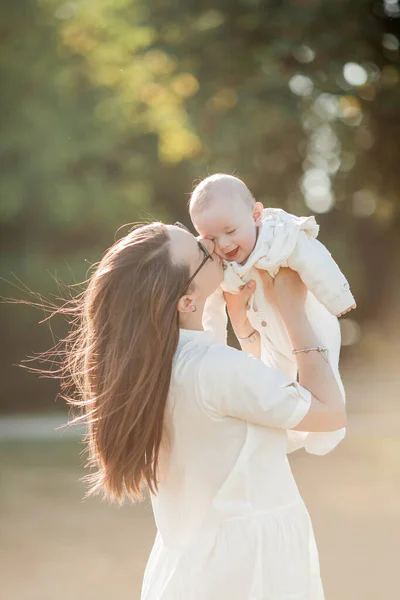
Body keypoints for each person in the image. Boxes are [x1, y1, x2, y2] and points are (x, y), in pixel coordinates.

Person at [57, 221, 345, 599]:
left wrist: (244, 329)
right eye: (200, 250)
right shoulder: (212, 367)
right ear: (188, 301)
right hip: (244, 576)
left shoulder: (158, 369)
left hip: (197, 569)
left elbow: (249, 424)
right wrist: (293, 313)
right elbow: (328, 413)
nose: (210, 242)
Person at [189, 173, 355, 455]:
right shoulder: (217, 263)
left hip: (310, 323)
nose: (225, 244)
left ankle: (327, 432)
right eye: (212, 238)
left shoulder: (278, 237)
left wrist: (337, 298)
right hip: (269, 337)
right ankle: (291, 436)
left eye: (230, 231)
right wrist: (213, 344)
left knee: (323, 371)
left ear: (256, 215)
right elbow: (211, 307)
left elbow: (313, 257)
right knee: (275, 383)